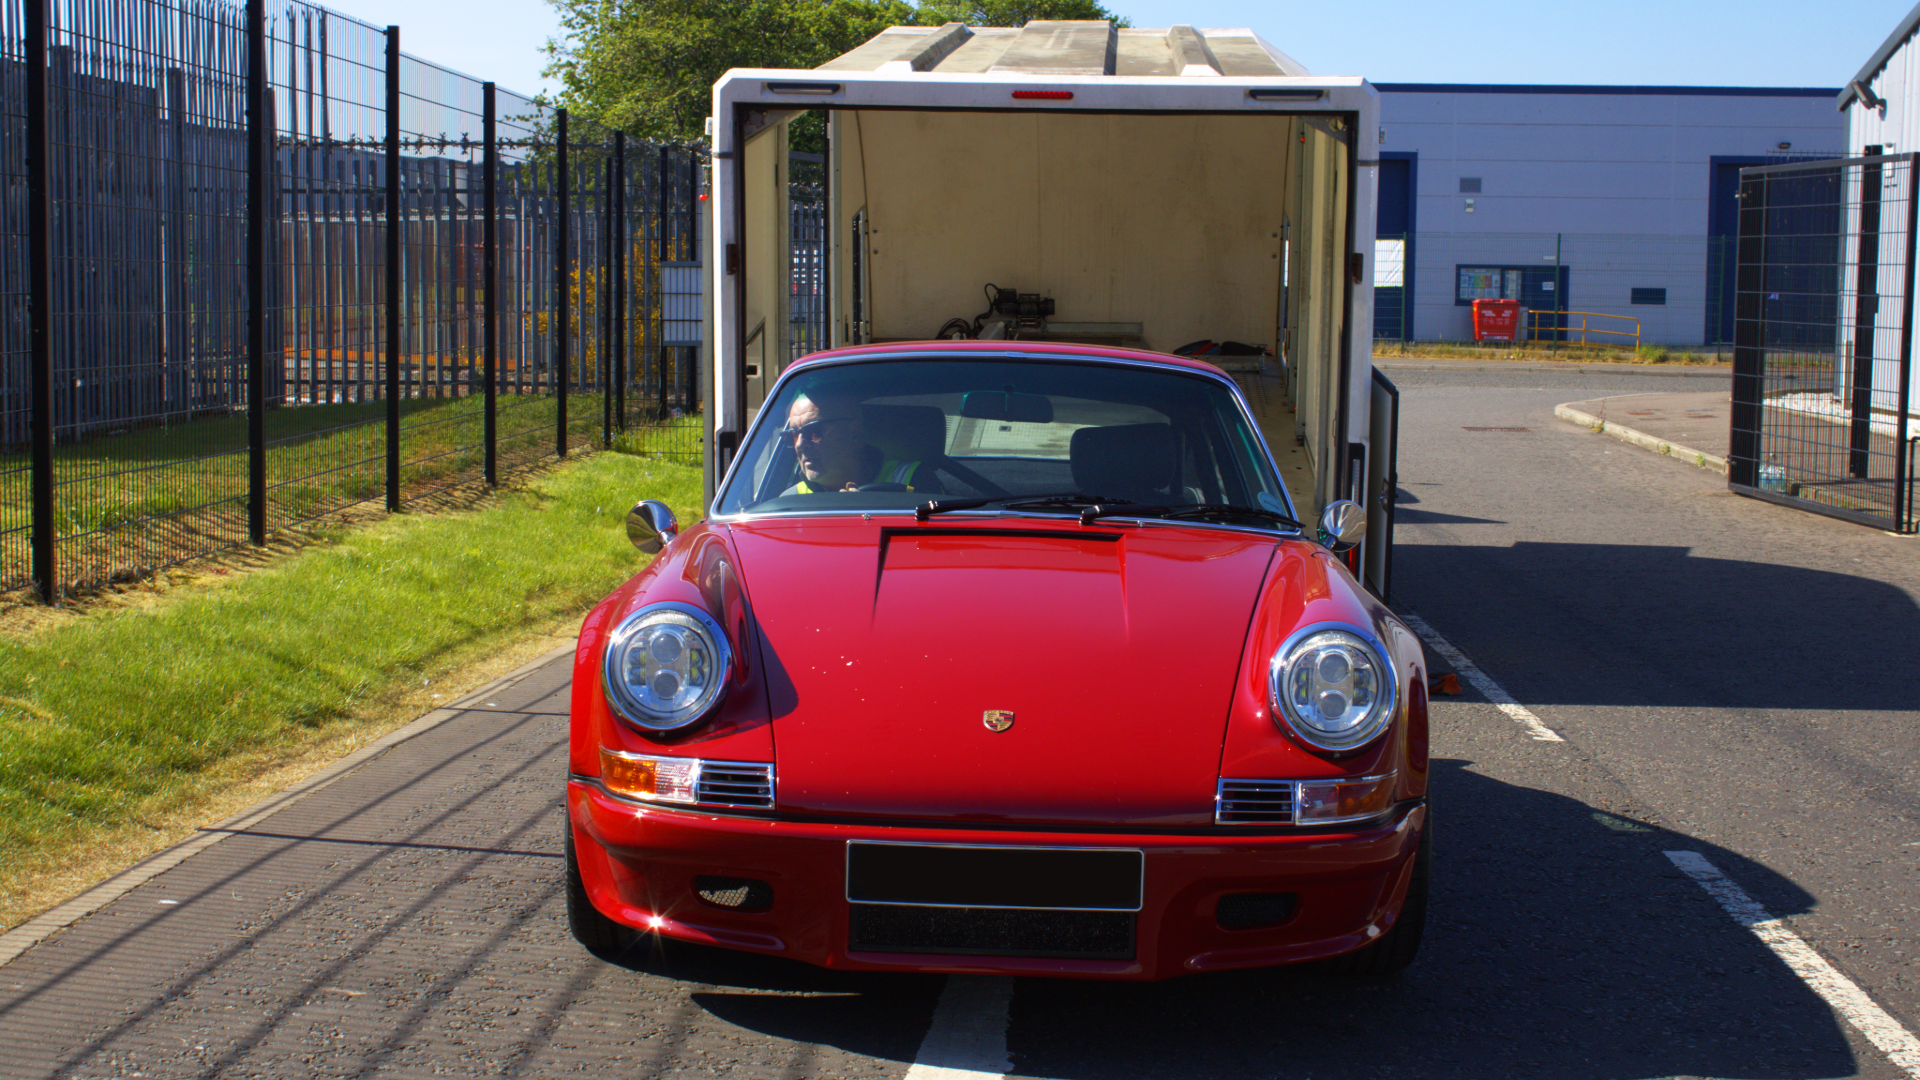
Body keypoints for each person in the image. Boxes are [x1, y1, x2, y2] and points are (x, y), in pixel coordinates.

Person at [781, 392, 923, 493]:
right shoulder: (788, 502)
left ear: (855, 431)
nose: (800, 444)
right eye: (793, 435)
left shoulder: (911, 482)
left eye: (814, 430)